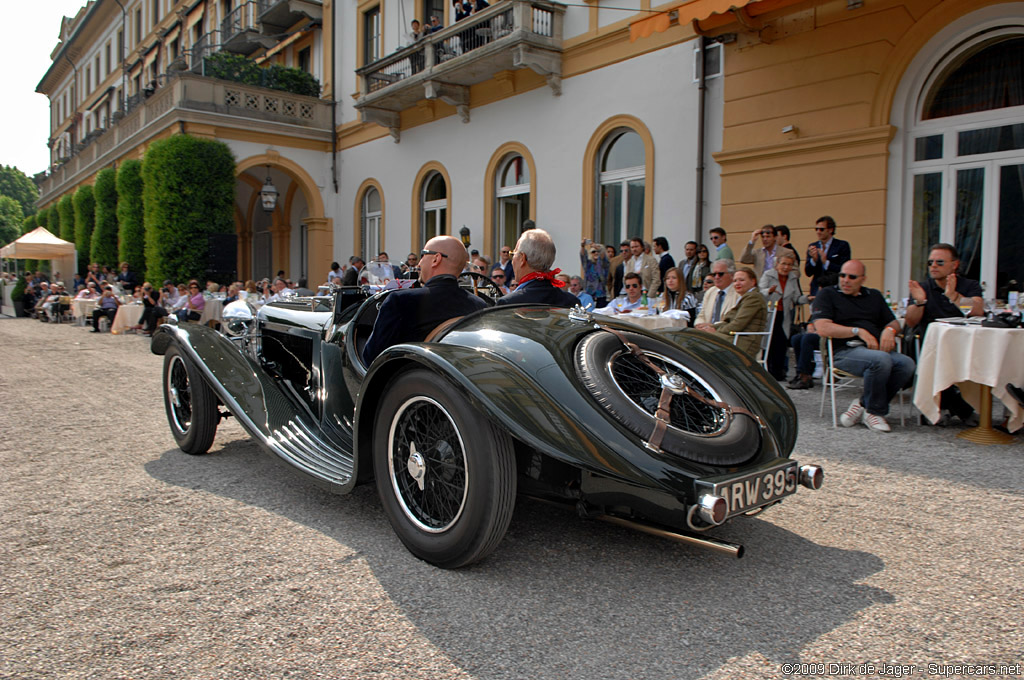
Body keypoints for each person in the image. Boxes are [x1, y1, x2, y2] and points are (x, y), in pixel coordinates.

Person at [811, 260, 916, 433]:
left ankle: (863, 405)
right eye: (842, 275)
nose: (845, 280)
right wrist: (857, 331)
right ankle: (874, 412)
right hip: (843, 352)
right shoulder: (828, 294)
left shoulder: (873, 295)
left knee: (906, 364)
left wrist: (890, 330)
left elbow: (894, 323)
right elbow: (822, 327)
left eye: (852, 277)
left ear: (863, 279)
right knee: (880, 360)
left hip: (874, 350)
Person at [363, 235, 486, 364]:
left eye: (423, 255)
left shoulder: (400, 301)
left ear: (436, 259)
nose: (420, 262)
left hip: (409, 382)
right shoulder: (478, 305)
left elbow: (371, 358)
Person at [904, 243, 985, 425]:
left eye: (939, 262)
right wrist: (920, 301)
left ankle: (953, 407)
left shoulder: (969, 285)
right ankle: (963, 410)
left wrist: (954, 296)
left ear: (954, 265)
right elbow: (910, 321)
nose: (933, 266)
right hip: (933, 348)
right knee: (936, 360)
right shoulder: (922, 287)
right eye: (930, 262)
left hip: (966, 347)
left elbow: (978, 310)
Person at [696, 267, 767, 358]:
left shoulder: (753, 298)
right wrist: (710, 326)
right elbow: (728, 321)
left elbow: (738, 324)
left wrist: (714, 331)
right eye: (735, 281)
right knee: (700, 335)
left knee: (702, 341)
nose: (737, 283)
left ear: (753, 282)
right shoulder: (745, 297)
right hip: (735, 337)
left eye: (741, 280)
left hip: (743, 340)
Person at [497, 228, 578, 307]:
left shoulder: (508, 304)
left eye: (514, 254)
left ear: (522, 258)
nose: (512, 260)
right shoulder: (571, 301)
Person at [760, 251, 808, 381]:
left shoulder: (793, 278)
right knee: (768, 343)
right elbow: (759, 291)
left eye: (790, 265)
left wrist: (808, 298)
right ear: (777, 264)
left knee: (781, 344)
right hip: (770, 313)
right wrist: (768, 291)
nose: (786, 267)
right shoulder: (768, 275)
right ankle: (767, 373)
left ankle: (779, 372)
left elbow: (796, 298)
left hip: (784, 314)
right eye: (784, 264)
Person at [805, 215, 851, 297]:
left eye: (821, 229)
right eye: (816, 229)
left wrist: (826, 262)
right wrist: (814, 261)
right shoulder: (813, 246)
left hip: (835, 289)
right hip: (816, 290)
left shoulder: (842, 245)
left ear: (830, 230)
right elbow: (808, 272)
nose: (818, 232)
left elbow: (844, 270)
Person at [694, 259, 739, 326]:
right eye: (714, 274)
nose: (716, 277)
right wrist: (699, 325)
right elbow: (701, 315)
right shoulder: (710, 292)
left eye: (720, 274)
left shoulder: (738, 293)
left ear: (731, 275)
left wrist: (712, 327)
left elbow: (733, 321)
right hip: (706, 333)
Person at [579, 240, 609, 308]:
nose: (596, 253)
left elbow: (603, 257)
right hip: (589, 294)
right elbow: (583, 257)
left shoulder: (604, 264)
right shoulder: (588, 265)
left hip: (601, 295)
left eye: (597, 251)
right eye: (593, 252)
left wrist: (598, 248)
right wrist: (583, 246)